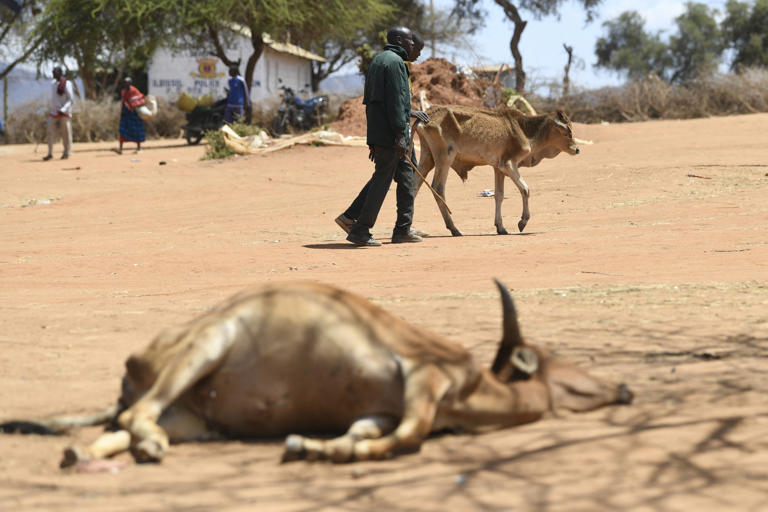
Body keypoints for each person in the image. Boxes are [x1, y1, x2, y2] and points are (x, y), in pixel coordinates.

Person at [338, 27, 430, 246]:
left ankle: (402, 230)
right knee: (381, 182)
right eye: (410, 41)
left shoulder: (380, 61)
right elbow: (395, 103)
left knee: (406, 179)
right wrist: (400, 134)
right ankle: (360, 230)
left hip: (383, 132)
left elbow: (379, 102)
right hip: (392, 135)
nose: (412, 46)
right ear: (399, 40)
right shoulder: (395, 63)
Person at [43, 66, 74, 161]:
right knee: (49, 131)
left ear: (60, 73)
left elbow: (71, 99)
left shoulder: (67, 84)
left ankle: (66, 152)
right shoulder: (52, 84)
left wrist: (64, 109)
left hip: (64, 112)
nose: (53, 75)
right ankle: (50, 153)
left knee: (66, 133)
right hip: (54, 112)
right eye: (52, 73)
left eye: (55, 73)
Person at [116, 77, 146, 154]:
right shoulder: (123, 91)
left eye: (127, 83)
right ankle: (120, 149)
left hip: (134, 113)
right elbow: (123, 101)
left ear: (130, 83)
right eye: (125, 83)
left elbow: (139, 99)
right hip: (126, 113)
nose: (126, 84)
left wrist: (133, 105)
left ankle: (139, 148)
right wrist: (122, 111)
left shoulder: (134, 90)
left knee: (137, 130)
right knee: (123, 130)